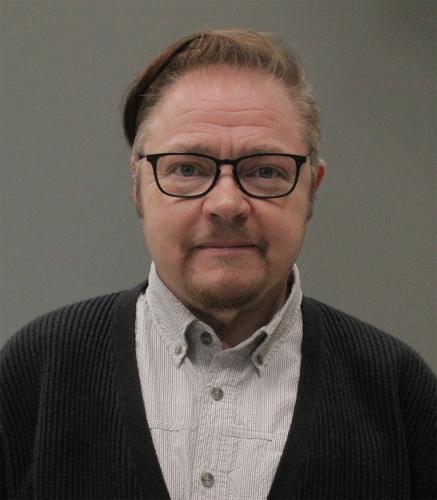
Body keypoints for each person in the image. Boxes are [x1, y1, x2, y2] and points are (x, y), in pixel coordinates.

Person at [1, 29, 436, 500]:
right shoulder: (37, 373)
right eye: (187, 168)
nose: (226, 204)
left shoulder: (399, 393)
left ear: (312, 188)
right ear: (137, 185)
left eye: (265, 170)